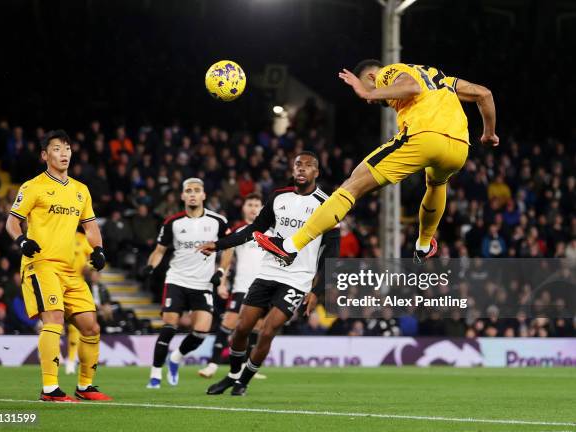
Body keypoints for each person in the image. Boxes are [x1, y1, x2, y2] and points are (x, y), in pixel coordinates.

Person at [253, 60, 498, 265]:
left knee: (351, 187)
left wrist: (368, 90)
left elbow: (411, 87)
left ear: (372, 75)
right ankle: (424, 245)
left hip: (424, 136)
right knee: (436, 184)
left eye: (367, 86)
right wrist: (489, 133)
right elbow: (483, 93)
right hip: (459, 147)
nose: (370, 102)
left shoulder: (387, 72)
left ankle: (289, 245)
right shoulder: (442, 78)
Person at [199, 152, 340, 396]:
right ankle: (232, 375)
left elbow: (332, 257)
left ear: (317, 172)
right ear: (292, 168)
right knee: (242, 328)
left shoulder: (327, 205)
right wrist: (219, 244)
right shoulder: (278, 197)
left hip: (297, 279)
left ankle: (243, 381)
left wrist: (316, 292)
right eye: (298, 165)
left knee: (267, 330)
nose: (302, 169)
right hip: (268, 272)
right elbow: (254, 229)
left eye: (308, 166)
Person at [5, 130, 111, 402]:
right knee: (53, 319)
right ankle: (50, 389)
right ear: (45, 155)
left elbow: (90, 227)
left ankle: (85, 386)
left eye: (67, 148)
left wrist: (97, 249)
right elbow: (12, 221)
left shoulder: (80, 190)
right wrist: (22, 241)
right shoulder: (33, 186)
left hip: (69, 270)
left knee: (91, 327)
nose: (63, 154)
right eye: (56, 149)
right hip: (40, 264)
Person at [145, 178, 231, 389]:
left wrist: (220, 271)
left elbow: (229, 247)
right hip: (177, 280)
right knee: (169, 326)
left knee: (202, 331)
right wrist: (150, 267)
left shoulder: (217, 221)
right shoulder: (172, 222)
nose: (192, 194)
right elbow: (159, 251)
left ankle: (176, 358)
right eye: (188, 191)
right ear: (182, 196)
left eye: (197, 191)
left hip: (202, 284)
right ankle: (155, 374)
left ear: (204, 195)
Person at [197, 193, 267, 379]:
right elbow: (227, 255)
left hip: (263, 288)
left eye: (256, 205)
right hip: (242, 287)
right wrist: (222, 281)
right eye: (250, 204)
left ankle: (245, 366)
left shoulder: (270, 231)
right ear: (244, 208)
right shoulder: (238, 230)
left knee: (257, 327)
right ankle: (212, 364)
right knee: (229, 322)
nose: (253, 208)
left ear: (262, 208)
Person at [65, 228, 94, 375]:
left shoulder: (83, 239)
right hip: (56, 279)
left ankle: (71, 360)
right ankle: (53, 357)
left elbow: (93, 259)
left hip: (76, 284)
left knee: (74, 326)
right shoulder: (62, 234)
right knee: (51, 323)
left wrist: (88, 267)